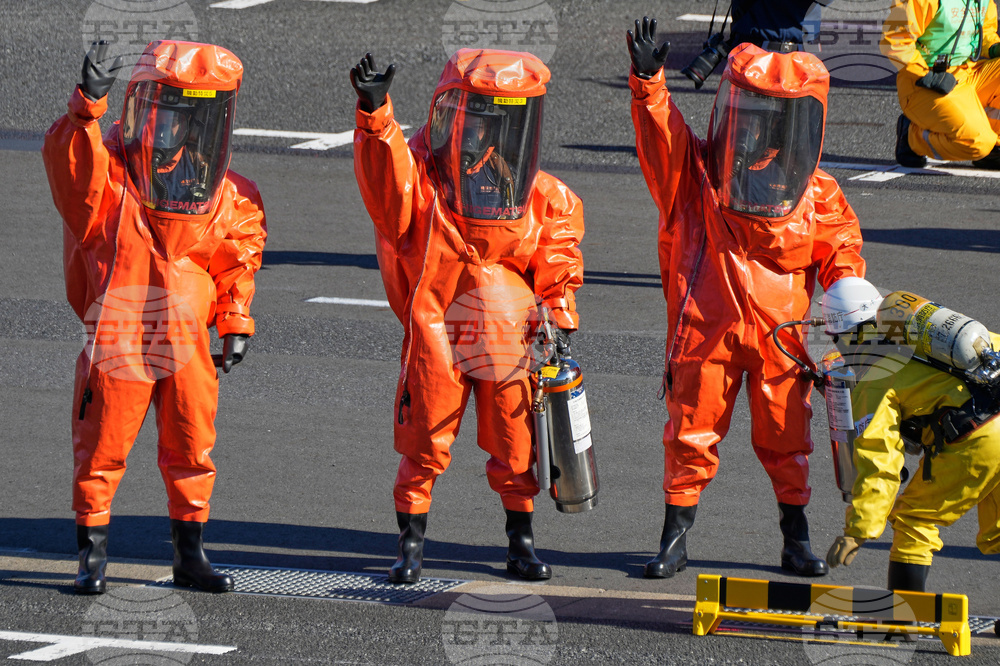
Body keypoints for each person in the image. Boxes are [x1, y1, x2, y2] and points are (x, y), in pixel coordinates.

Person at [626, 17, 866, 579]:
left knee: (788, 438)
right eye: (756, 118)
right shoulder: (696, 176)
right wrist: (648, 82)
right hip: (707, 328)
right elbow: (660, 138)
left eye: (782, 121)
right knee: (690, 431)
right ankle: (674, 539)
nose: (767, 134)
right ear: (733, 114)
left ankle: (795, 539)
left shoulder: (817, 195)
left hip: (779, 336)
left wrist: (848, 293)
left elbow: (843, 253)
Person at [350, 49, 584, 584]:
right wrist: (375, 114)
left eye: (492, 119)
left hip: (508, 328)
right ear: (448, 114)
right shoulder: (421, 178)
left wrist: (560, 313)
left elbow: (557, 250)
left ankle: (520, 544)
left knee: (515, 441)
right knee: (424, 438)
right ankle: (410, 546)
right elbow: (385, 191)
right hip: (438, 324)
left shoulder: (529, 188)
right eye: (472, 117)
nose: (479, 131)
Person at [43, 40, 267, 594]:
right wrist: (86, 107)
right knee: (100, 446)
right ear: (144, 108)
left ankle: (189, 557)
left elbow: (237, 261)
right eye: (168, 111)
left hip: (187, 338)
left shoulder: (224, 190)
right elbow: (70, 169)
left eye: (193, 114)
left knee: (192, 446)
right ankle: (91, 560)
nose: (176, 126)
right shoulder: (109, 176)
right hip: (121, 327)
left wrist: (235, 322)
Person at [823, 279, 1000, 592]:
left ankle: (904, 620)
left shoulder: (874, 378)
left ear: (847, 335)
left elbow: (879, 462)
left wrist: (858, 530)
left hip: (979, 438)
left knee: (914, 521)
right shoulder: (935, 339)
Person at [882, 0, 1000, 168]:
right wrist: (926, 75)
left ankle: (993, 148)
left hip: (966, 73)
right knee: (977, 142)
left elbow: (984, 30)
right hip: (924, 81)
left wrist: (994, 47)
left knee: (986, 142)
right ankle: (912, 136)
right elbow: (895, 41)